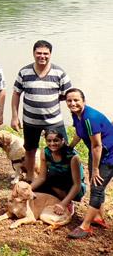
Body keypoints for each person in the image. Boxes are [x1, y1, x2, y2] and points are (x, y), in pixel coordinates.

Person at [11, 40, 72, 182]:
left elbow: (69, 95)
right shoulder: (24, 72)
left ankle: (62, 179)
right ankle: (31, 178)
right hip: (30, 121)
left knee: (61, 149)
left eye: (45, 53)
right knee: (30, 149)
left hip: (53, 120)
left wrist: (50, 99)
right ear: (33, 53)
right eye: (39, 53)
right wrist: (14, 116)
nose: (42, 56)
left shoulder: (59, 72)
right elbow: (16, 94)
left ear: (50, 54)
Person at [65, 88, 113, 239]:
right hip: (97, 152)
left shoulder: (89, 118)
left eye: (76, 100)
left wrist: (96, 169)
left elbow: (97, 145)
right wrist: (69, 147)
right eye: (69, 100)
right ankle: (98, 217)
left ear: (84, 101)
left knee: (97, 188)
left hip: (108, 154)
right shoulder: (76, 114)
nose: (73, 103)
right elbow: (79, 133)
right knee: (97, 185)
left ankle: (85, 226)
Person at [31, 129, 85, 216]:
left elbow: (77, 185)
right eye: (49, 141)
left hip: (73, 186)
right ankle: (54, 200)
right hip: (55, 181)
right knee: (34, 190)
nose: (52, 144)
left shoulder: (72, 157)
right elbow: (41, 177)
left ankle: (67, 202)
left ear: (63, 140)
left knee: (54, 177)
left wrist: (63, 204)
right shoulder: (45, 152)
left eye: (56, 140)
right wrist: (27, 189)